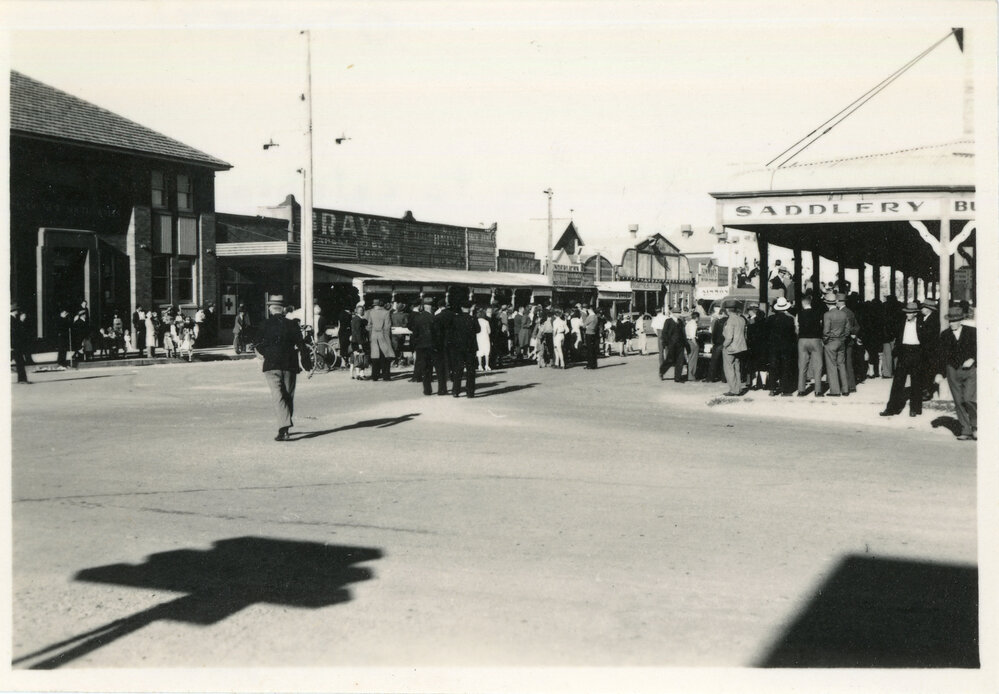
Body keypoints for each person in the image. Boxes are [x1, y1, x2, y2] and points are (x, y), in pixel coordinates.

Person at [254, 295, 310, 442]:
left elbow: (257, 344)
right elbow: (302, 345)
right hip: (290, 364)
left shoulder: (264, 324)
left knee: (278, 396)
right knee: (288, 396)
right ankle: (285, 427)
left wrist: (268, 353)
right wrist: (307, 365)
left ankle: (283, 428)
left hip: (272, 365)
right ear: (283, 309)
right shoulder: (292, 324)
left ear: (270, 309)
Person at [879, 301, 927, 418]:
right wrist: (896, 350)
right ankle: (891, 408)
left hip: (916, 352)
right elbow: (896, 336)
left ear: (915, 313)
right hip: (904, 352)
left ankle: (914, 409)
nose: (907, 315)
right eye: (906, 313)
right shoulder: (901, 322)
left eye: (910, 313)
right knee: (898, 382)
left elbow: (926, 341)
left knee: (916, 382)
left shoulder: (921, 323)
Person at [936, 306, 976, 440]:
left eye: (954, 321)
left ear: (960, 320)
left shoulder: (972, 332)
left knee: (969, 399)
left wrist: (973, 358)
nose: (952, 323)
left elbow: (981, 347)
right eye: (950, 321)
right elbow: (941, 356)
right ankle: (966, 430)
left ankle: (976, 426)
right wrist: (939, 373)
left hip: (970, 371)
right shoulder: (945, 335)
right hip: (952, 370)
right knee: (959, 401)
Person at [821, 292, 851, 397]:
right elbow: (848, 328)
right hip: (841, 342)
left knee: (831, 366)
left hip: (831, 342)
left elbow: (826, 331)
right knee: (841, 365)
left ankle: (835, 391)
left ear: (827, 304)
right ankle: (845, 389)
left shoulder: (827, 315)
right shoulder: (843, 314)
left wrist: (825, 341)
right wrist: (843, 337)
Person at [795, 294, 825, 397]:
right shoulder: (818, 313)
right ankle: (818, 390)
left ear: (803, 303)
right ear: (810, 302)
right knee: (818, 365)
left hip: (803, 340)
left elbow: (797, 328)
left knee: (802, 365)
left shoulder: (799, 314)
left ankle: (801, 390)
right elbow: (821, 326)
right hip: (816, 340)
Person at [448, 301, 480, 397]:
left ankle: (456, 391)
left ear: (462, 308)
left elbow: (451, 331)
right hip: (470, 347)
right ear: (470, 308)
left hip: (458, 347)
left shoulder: (455, 319)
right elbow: (478, 330)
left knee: (458, 369)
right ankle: (470, 392)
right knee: (471, 370)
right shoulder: (473, 318)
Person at [766, 297, 797, 396]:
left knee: (773, 367)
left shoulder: (770, 319)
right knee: (785, 367)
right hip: (786, 347)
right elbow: (793, 335)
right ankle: (785, 390)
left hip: (773, 347)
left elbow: (767, 334)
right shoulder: (789, 319)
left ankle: (772, 389)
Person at [721, 299, 747, 396]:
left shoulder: (730, 320)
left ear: (727, 310)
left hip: (731, 348)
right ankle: (738, 388)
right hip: (740, 347)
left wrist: (723, 346)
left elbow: (729, 337)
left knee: (729, 369)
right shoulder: (741, 319)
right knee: (737, 368)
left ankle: (733, 390)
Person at [410, 297, 435, 395]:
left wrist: (415, 344)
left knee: (423, 366)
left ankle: (427, 389)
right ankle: (431, 387)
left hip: (420, 346)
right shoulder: (433, 318)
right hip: (431, 345)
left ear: (422, 306)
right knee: (430, 366)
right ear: (431, 307)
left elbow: (415, 333)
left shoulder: (417, 318)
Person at [366, 298, 395, 381]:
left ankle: (375, 376)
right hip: (383, 336)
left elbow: (369, 326)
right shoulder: (386, 313)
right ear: (381, 305)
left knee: (375, 356)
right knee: (385, 356)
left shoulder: (371, 313)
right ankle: (386, 376)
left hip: (374, 336)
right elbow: (387, 327)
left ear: (374, 305)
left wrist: (372, 333)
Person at [432, 300, 455, 395]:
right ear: (446, 305)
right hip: (452, 343)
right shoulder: (454, 316)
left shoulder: (437, 317)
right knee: (453, 365)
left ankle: (442, 389)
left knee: (440, 367)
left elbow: (435, 333)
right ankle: (455, 388)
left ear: (439, 306)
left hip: (440, 344)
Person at [658, 306, 685, 382]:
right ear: (673, 313)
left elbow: (683, 333)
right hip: (671, 344)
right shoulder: (668, 321)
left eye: (679, 312)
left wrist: (685, 343)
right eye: (677, 313)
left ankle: (677, 378)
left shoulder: (680, 321)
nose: (679, 314)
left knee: (680, 361)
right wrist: (666, 343)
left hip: (680, 344)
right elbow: (664, 333)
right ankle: (662, 371)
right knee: (670, 360)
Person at [349, 302, 370, 380]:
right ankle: (359, 374)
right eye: (360, 310)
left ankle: (359, 373)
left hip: (356, 340)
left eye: (362, 310)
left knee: (358, 357)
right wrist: (360, 343)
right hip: (359, 341)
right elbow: (358, 332)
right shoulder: (358, 320)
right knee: (360, 357)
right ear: (357, 311)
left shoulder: (356, 319)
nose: (361, 311)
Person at [10, 303, 30, 384]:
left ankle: (22, 379)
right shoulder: (11, 318)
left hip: (15, 344)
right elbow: (16, 331)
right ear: (15, 311)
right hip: (14, 344)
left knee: (20, 361)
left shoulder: (13, 318)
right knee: (20, 362)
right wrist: (21, 321)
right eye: (18, 310)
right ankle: (22, 379)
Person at [582, 305, 599, 369]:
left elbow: (584, 325)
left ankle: (590, 364)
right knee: (593, 349)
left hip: (588, 333)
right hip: (594, 333)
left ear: (589, 310)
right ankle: (594, 364)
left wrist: (586, 326)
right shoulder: (595, 317)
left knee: (589, 350)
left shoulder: (590, 317)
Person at [684, 311, 700, 381]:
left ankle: (689, 375)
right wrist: (696, 345)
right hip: (692, 342)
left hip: (688, 341)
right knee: (693, 360)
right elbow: (693, 336)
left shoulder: (688, 323)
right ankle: (692, 376)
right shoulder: (694, 325)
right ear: (697, 318)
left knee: (690, 359)